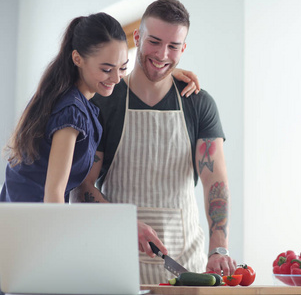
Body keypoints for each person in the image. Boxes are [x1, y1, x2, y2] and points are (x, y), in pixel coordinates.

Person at [70, 0, 237, 284]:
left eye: (173, 46)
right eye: (154, 42)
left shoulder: (198, 104)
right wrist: (125, 225)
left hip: (186, 268)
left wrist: (218, 248)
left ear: (183, 48)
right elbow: (82, 187)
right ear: (137, 37)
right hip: (118, 269)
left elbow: (215, 182)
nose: (162, 54)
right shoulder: (105, 100)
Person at [0, 12, 199, 203]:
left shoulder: (73, 99)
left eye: (122, 67)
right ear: (77, 59)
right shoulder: (72, 113)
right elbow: (54, 193)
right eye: (106, 69)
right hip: (29, 223)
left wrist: (165, 72)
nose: (115, 77)